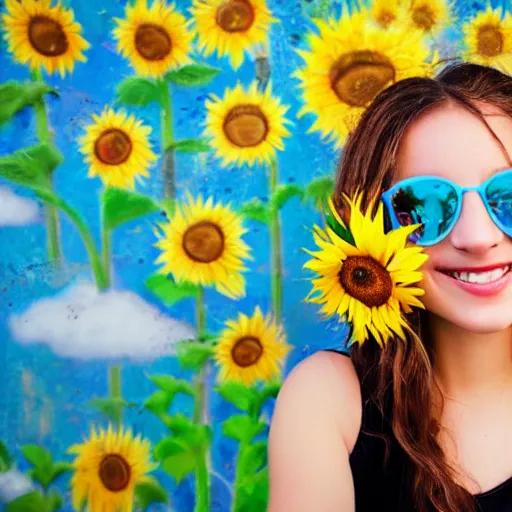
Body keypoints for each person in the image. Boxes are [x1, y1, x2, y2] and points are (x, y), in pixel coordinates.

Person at [267, 62, 512, 512]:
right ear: (370, 235)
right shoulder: (331, 403)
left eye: (509, 195)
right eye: (424, 207)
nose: (478, 237)